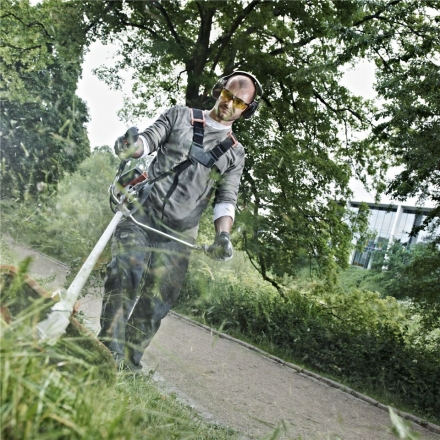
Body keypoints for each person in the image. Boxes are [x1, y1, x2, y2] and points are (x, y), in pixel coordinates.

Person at [99, 71, 263, 370]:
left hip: (179, 235)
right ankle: (106, 355)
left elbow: (226, 198)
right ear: (219, 91)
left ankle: (129, 366)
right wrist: (130, 145)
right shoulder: (180, 116)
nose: (229, 104)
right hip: (141, 215)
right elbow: (146, 142)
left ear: (246, 110)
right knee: (126, 276)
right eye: (227, 95)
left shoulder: (235, 154)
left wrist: (222, 237)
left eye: (239, 103)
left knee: (156, 304)